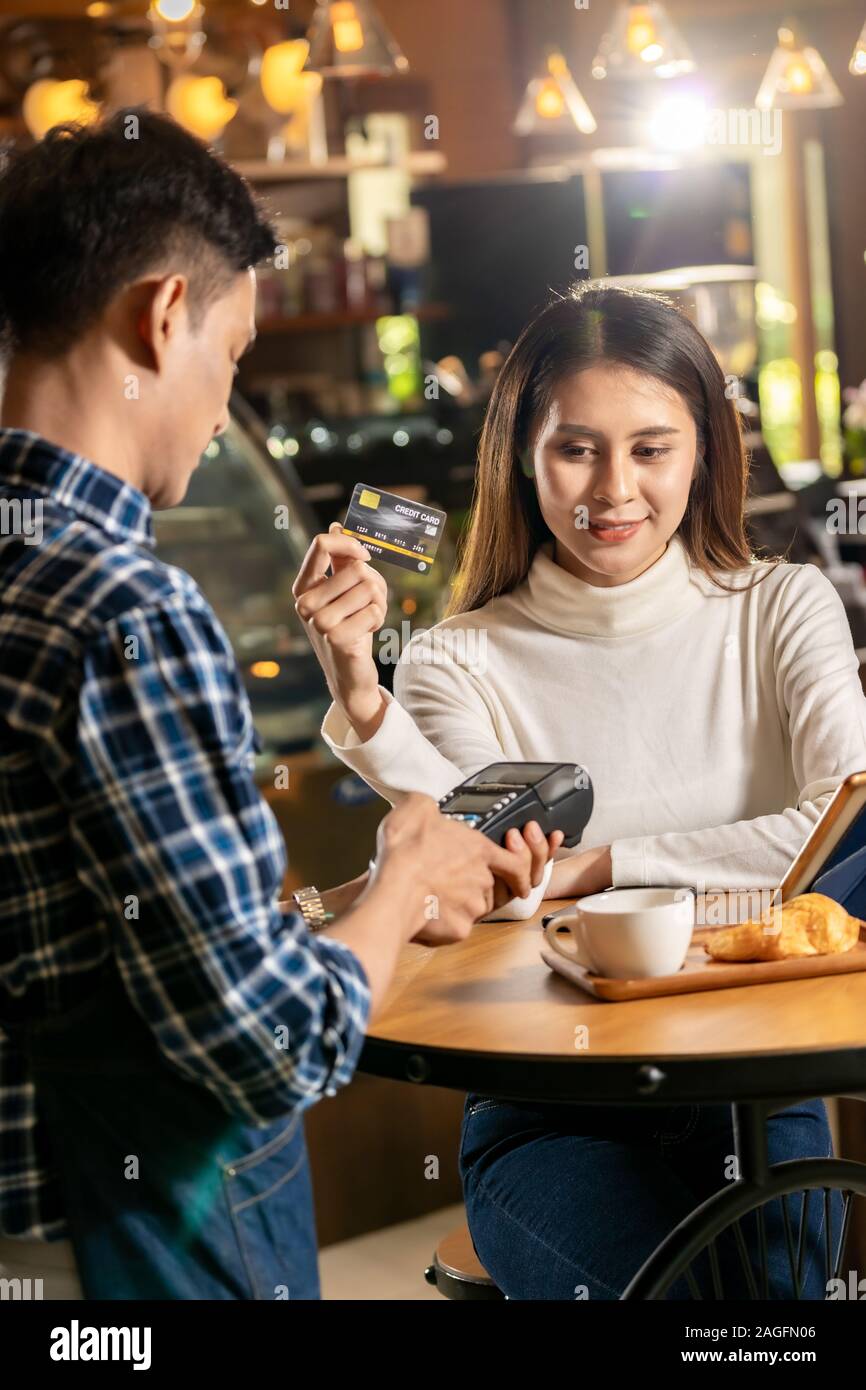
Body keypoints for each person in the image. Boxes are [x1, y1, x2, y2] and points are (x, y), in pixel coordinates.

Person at [0, 110, 557, 1301]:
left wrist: (362, 904)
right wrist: (406, 863)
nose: (222, 406)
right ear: (160, 318)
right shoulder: (123, 611)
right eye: (234, 354)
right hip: (116, 1250)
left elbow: (130, 958)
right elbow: (267, 1048)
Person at [294, 284, 866, 1299]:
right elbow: (480, 867)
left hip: (762, 1084)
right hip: (550, 1102)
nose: (614, 490)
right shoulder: (457, 658)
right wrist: (360, 693)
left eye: (651, 448)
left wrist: (595, 870)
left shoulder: (781, 607)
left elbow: (836, 823)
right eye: (576, 449)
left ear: (702, 451)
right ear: (520, 451)